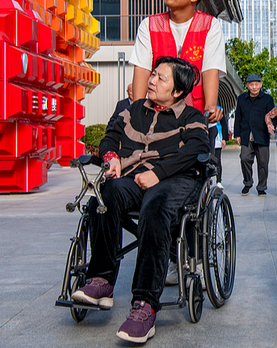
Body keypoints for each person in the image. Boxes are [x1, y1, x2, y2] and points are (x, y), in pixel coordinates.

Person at [71, 56, 209, 344]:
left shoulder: (192, 117)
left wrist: (158, 173)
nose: (152, 80)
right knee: (104, 195)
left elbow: (196, 149)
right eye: (153, 74)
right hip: (132, 177)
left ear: (177, 92)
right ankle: (101, 281)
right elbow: (110, 137)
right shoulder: (132, 110)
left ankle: (145, 305)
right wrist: (111, 158)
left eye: (160, 77)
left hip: (174, 179)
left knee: (155, 207)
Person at [130, 0, 225, 124]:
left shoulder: (210, 26)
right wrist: (137, 113)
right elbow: (142, 70)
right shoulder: (149, 25)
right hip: (157, 118)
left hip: (195, 116)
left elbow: (210, 70)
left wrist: (210, 107)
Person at [234, 74, 275, 195]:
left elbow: (273, 116)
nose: (254, 87)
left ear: (260, 85)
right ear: (247, 85)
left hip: (262, 135)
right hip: (246, 134)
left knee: (263, 163)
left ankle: (262, 187)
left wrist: (272, 127)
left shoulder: (267, 99)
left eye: (256, 84)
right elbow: (238, 117)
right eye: (251, 85)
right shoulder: (241, 99)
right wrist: (237, 134)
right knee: (244, 158)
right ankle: (248, 182)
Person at [213, 105, 229, 188]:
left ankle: (218, 181)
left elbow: (224, 124)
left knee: (217, 160)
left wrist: (224, 139)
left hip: (217, 138)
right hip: (206, 137)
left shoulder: (219, 109)